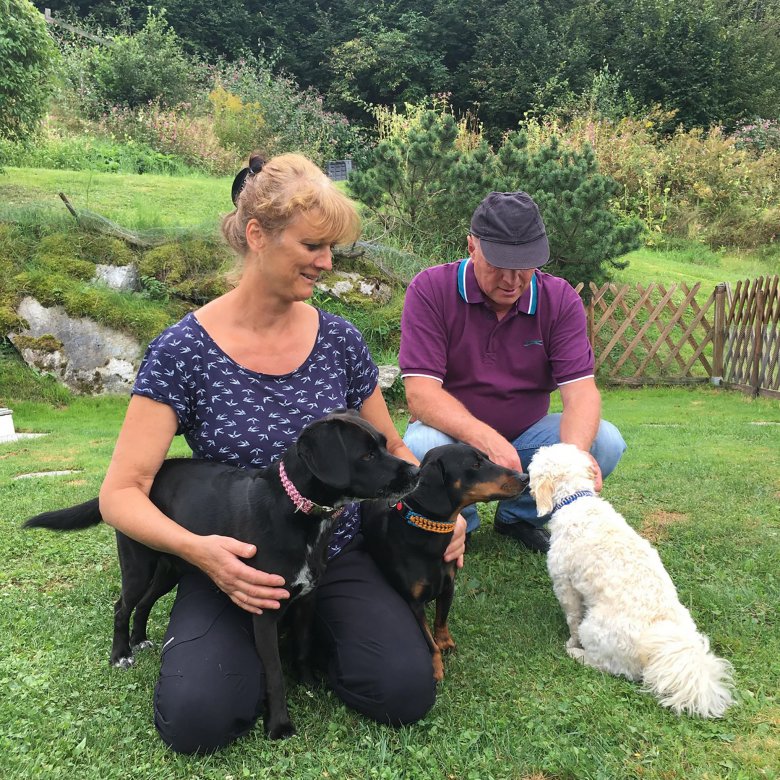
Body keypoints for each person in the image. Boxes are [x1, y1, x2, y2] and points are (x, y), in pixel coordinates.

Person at [98, 152, 466, 754]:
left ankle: (318, 633)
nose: (326, 263)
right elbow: (120, 492)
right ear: (257, 235)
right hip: (235, 564)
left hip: (335, 553)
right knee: (197, 720)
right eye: (313, 246)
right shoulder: (182, 351)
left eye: (332, 249)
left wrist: (439, 515)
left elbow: (393, 446)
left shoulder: (340, 339)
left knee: (402, 691)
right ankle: (264, 642)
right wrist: (202, 554)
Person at [399, 191, 627, 553]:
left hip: (527, 438)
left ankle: (519, 516)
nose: (511, 280)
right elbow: (420, 393)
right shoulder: (430, 289)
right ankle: (462, 524)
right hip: (457, 441)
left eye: (523, 266)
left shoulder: (561, 299)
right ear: (471, 245)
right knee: (420, 445)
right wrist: (488, 441)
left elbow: (581, 392)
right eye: (498, 265)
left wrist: (575, 453)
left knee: (606, 441)